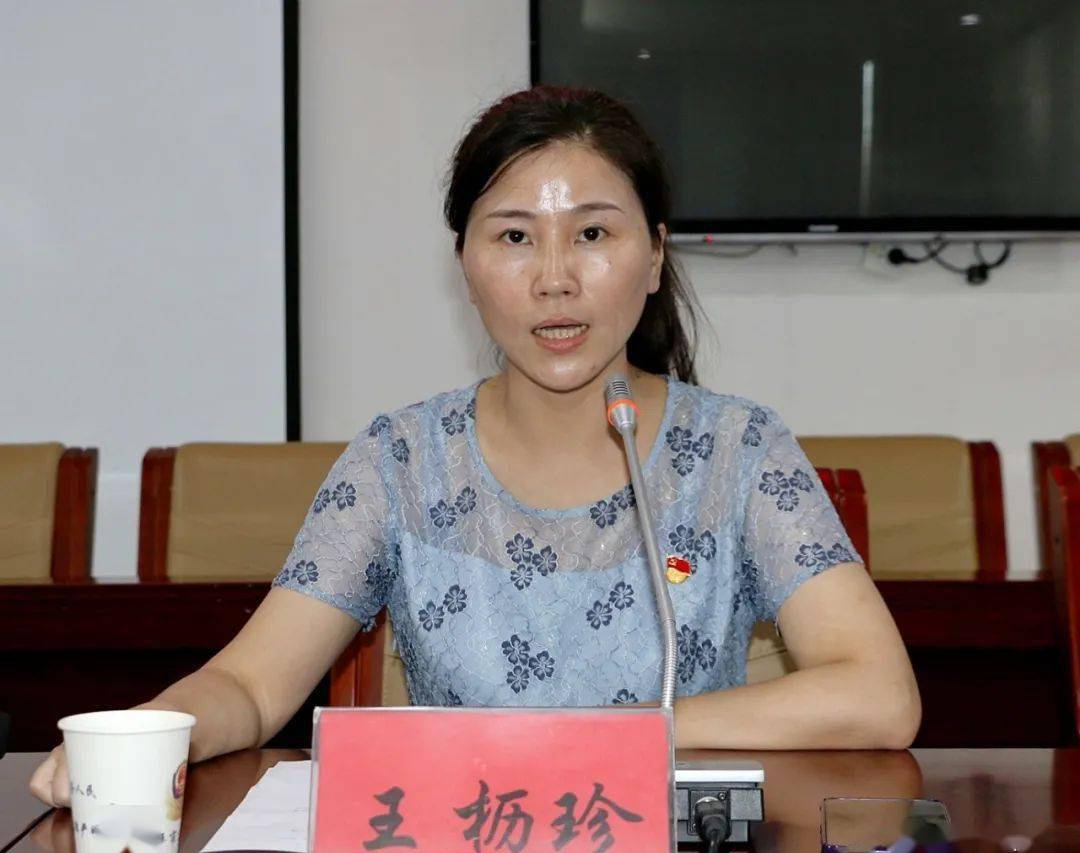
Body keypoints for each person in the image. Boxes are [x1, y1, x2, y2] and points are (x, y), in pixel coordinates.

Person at [31, 85, 920, 807]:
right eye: (515, 237)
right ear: (465, 263)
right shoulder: (400, 462)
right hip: (466, 852)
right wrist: (150, 733)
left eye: (594, 234)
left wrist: (612, 735)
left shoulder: (736, 449)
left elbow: (879, 694)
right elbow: (253, 688)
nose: (555, 279)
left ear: (654, 258)